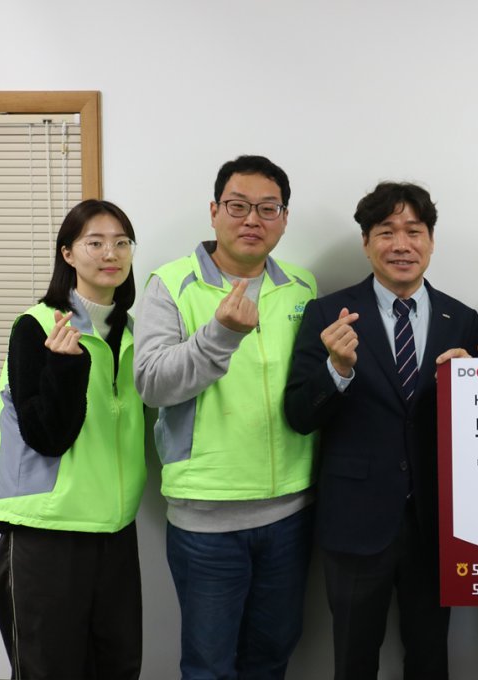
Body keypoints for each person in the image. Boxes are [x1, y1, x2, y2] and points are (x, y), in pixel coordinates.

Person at [284, 182, 478, 680]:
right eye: (386, 232)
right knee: (354, 658)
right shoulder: (328, 313)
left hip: (436, 523)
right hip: (355, 520)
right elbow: (299, 415)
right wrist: (336, 370)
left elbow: (475, 428)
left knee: (431, 657)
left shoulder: (462, 318)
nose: (401, 245)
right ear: (366, 242)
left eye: (414, 231)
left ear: (431, 241)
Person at [134, 155, 318, 679]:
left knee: (271, 657)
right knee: (209, 666)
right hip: (206, 517)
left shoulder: (302, 286)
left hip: (291, 511)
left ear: (284, 218)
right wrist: (220, 335)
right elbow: (152, 383)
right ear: (214, 211)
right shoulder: (172, 284)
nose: (252, 219)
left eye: (267, 208)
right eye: (238, 206)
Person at [0, 199, 145, 679]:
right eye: (94, 242)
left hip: (114, 529)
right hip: (47, 532)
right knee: (48, 670)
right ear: (67, 254)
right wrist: (64, 367)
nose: (110, 253)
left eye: (121, 242)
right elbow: (46, 436)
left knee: (118, 667)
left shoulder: (132, 332)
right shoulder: (37, 326)